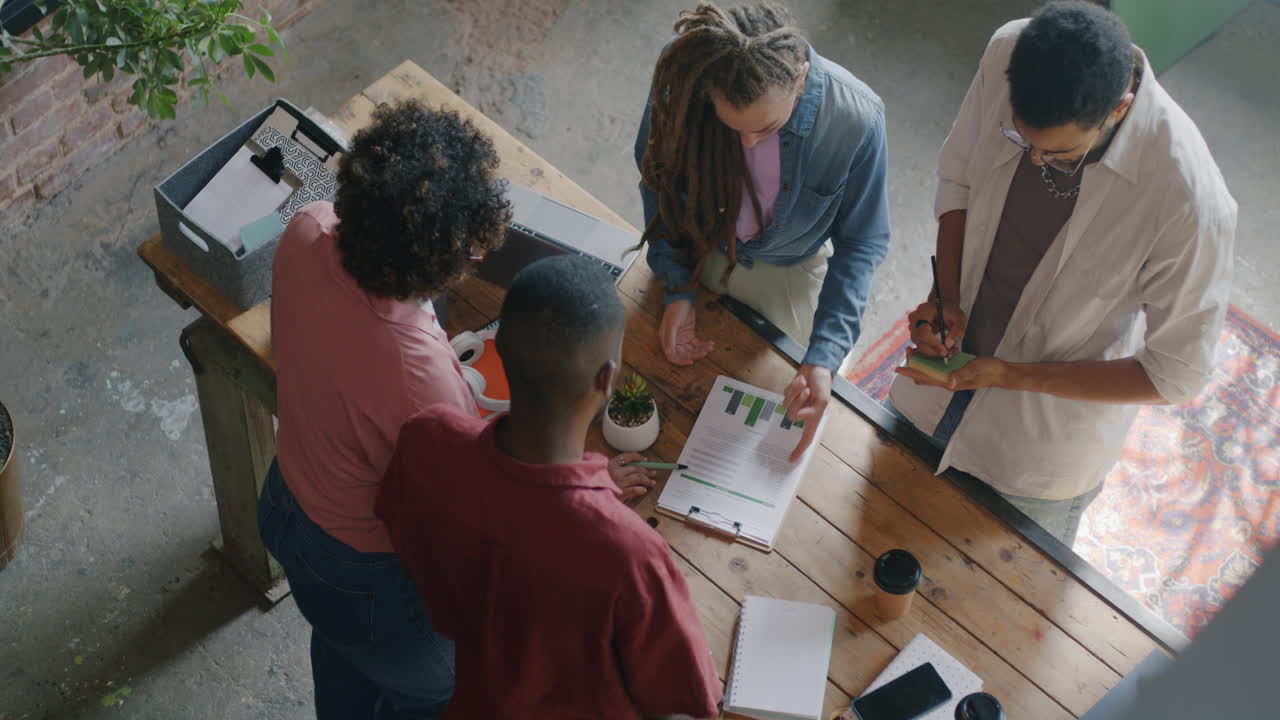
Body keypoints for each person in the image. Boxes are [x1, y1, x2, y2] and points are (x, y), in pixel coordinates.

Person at [889, 1, 1235, 546]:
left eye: (1060, 153)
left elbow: (1176, 374)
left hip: (1033, 457)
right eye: (1022, 141)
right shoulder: (1008, 48)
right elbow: (957, 179)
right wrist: (945, 294)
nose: (1034, 162)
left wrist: (1012, 376)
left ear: (1119, 108)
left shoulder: (1190, 204)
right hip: (931, 386)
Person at [376, 255, 723, 719]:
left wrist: (585, 489)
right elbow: (694, 696)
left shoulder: (427, 440)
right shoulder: (631, 555)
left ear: (501, 350)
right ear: (607, 380)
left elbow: (408, 536)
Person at [254, 100, 510, 719]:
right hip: (363, 571)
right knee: (436, 688)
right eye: (469, 254)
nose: (471, 262)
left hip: (288, 501)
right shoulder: (417, 371)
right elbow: (465, 511)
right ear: (429, 258)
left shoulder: (308, 227)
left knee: (344, 652)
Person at [635, 1, 891, 461]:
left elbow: (862, 242)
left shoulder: (858, 120)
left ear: (801, 75)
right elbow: (658, 183)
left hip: (790, 267)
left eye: (769, 127)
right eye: (730, 128)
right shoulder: (688, 73)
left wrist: (824, 356)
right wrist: (676, 286)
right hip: (694, 242)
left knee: (763, 432)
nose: (748, 143)